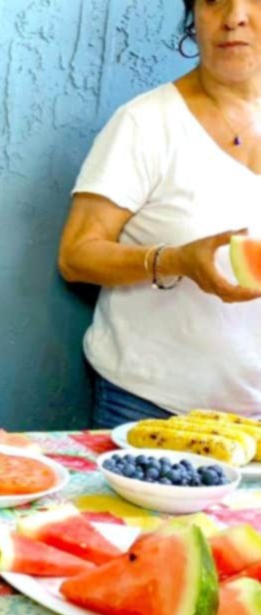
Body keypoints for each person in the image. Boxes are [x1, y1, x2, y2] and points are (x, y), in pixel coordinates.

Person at [58, 0, 261, 428]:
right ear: (193, 17)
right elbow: (76, 255)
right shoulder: (145, 123)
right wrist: (175, 260)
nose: (234, 17)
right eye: (214, 0)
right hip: (149, 408)